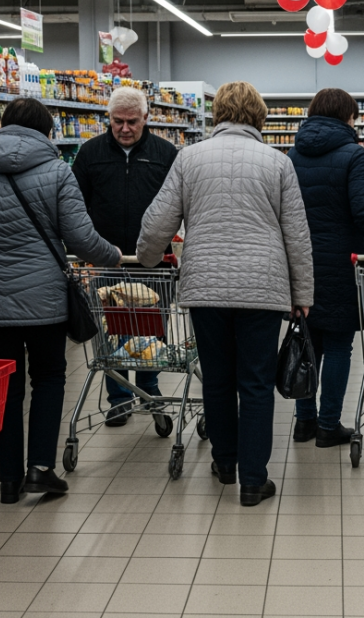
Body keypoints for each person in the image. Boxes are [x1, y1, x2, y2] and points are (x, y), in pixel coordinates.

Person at [138, 81, 313, 507]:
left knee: (216, 380)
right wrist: (303, 292)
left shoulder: (189, 158)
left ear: (217, 114)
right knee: (255, 382)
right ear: (259, 116)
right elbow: (297, 234)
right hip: (263, 288)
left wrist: (146, 257)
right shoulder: (278, 163)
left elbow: (159, 219)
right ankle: (254, 480)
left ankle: (225, 464)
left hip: (206, 287)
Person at [0, 98, 120, 505]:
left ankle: (8, 480)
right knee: (48, 378)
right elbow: (79, 238)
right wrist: (113, 255)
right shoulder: (57, 171)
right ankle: (40, 470)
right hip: (44, 299)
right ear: (46, 132)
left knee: (2, 389)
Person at [287, 88, 364, 448]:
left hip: (301, 262)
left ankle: (304, 422)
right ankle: (327, 425)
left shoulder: (292, 153)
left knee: (309, 343)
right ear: (347, 117)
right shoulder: (354, 154)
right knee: (339, 345)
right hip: (341, 262)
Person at [72, 86, 178, 426]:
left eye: (132, 121)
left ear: (146, 119)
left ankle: (149, 386)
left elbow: (177, 204)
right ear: (109, 119)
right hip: (105, 259)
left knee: (151, 328)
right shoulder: (90, 153)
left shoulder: (166, 153)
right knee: (110, 330)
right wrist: (86, 247)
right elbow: (75, 206)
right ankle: (118, 397)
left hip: (154, 262)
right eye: (118, 121)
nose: (125, 128)